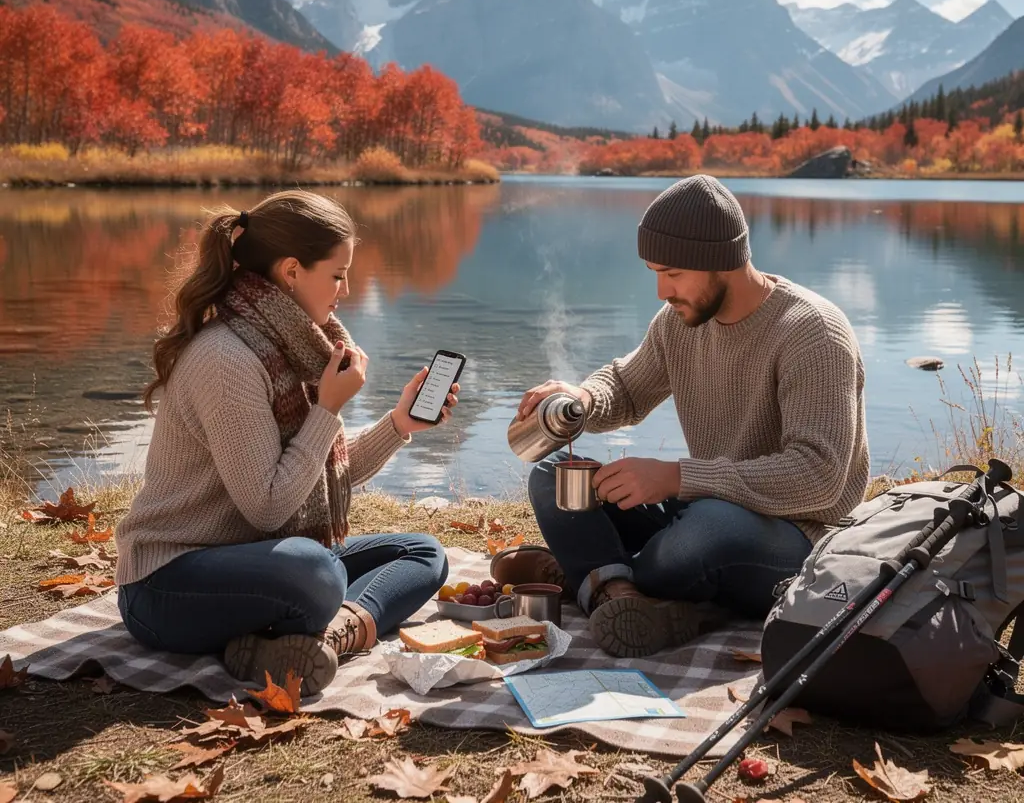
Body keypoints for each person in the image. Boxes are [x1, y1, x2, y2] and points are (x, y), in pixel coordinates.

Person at [503, 174, 869, 658]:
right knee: (554, 476)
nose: (661, 290)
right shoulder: (680, 322)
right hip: (703, 504)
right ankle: (623, 591)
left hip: (795, 539)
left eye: (672, 273)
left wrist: (676, 477)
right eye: (655, 272)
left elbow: (818, 478)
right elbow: (626, 389)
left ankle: (593, 576)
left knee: (700, 537)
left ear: (723, 262)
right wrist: (582, 398)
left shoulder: (812, 334)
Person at [115, 190, 457, 695]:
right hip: (167, 585)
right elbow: (271, 506)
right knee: (316, 571)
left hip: (250, 559)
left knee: (423, 554)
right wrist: (327, 409)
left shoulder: (294, 347)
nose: (346, 290)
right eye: (337, 275)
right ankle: (307, 621)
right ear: (292, 271)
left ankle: (328, 637)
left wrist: (400, 424)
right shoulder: (226, 359)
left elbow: (310, 472)